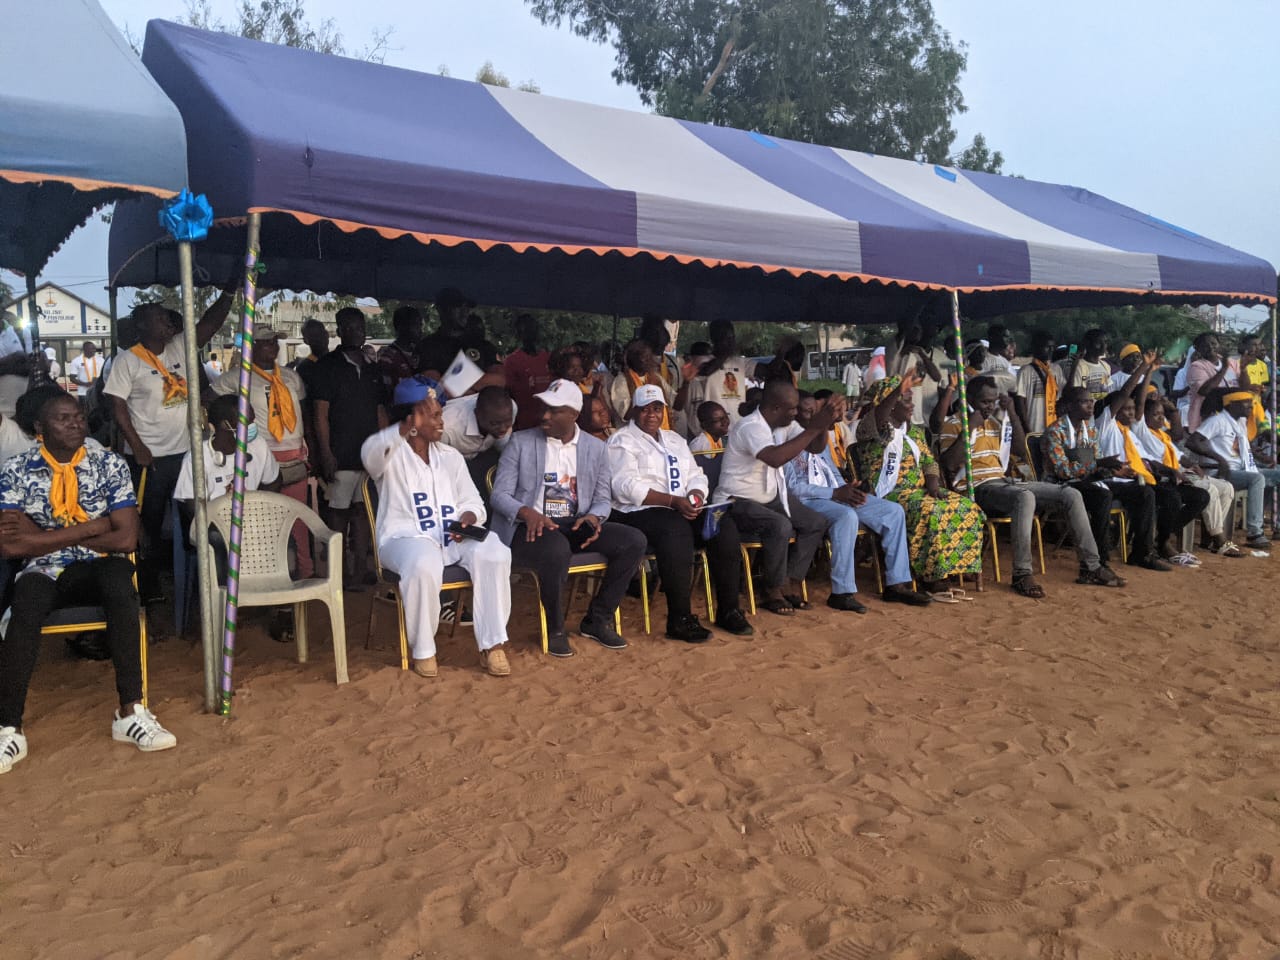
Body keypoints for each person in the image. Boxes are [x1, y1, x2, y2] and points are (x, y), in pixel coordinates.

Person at [0, 392, 178, 774]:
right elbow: (10, 544)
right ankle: (8, 729)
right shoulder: (16, 469)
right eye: (63, 419)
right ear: (39, 429)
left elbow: (126, 539)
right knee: (26, 601)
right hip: (43, 570)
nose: (76, 424)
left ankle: (130, 712)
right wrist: (94, 526)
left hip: (96, 564)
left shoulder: (108, 463)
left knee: (120, 583)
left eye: (78, 416)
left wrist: (42, 535)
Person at [362, 383, 513, 678]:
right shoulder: (390, 454)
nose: (442, 421)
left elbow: (472, 501)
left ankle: (492, 644)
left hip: (451, 536)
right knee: (423, 561)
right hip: (404, 538)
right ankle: (424, 649)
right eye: (433, 415)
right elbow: (371, 454)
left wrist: (468, 518)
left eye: (440, 414)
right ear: (412, 420)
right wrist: (403, 428)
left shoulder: (450, 456)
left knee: (494, 551)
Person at [490, 379, 646, 658]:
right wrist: (527, 512)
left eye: (554, 410)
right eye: (544, 408)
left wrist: (595, 517)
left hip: (574, 523)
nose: (545, 415)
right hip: (529, 527)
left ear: (573, 415)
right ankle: (555, 629)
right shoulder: (521, 442)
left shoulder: (595, 448)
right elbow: (499, 495)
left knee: (633, 540)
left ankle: (597, 619)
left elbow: (602, 497)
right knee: (556, 549)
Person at [940, 377, 1120, 597]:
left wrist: (1013, 414)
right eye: (985, 402)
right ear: (969, 399)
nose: (990, 406)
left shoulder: (996, 423)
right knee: (1024, 497)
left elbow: (1020, 451)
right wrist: (970, 428)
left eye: (993, 401)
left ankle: (1091, 566)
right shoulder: (953, 423)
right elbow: (949, 463)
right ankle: (1022, 573)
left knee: (1071, 493)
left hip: (1004, 482)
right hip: (977, 487)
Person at [103, 298, 228, 601]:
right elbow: (116, 405)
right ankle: (149, 590)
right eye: (160, 318)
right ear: (143, 326)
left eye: (166, 318)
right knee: (148, 525)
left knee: (195, 520)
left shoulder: (178, 347)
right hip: (151, 459)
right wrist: (137, 446)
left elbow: (211, 323)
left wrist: (230, 290)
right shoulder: (127, 361)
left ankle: (201, 587)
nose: (168, 323)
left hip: (187, 455)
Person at [607, 384, 752, 639]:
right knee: (674, 529)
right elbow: (625, 487)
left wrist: (696, 496)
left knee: (722, 525)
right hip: (636, 512)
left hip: (680, 508)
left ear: (663, 410)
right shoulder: (621, 441)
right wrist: (674, 501)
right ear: (633, 411)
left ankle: (729, 610)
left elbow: (696, 475)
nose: (651, 414)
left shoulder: (674, 439)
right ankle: (680, 619)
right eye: (644, 409)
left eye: (656, 408)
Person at [783, 389, 932, 611]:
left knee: (892, 511)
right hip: (810, 500)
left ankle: (897, 585)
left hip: (836, 494)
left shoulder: (818, 436)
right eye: (806, 412)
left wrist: (848, 489)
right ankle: (842, 592)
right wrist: (834, 494)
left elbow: (831, 471)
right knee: (846, 516)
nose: (813, 416)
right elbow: (792, 489)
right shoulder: (786, 440)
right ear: (794, 413)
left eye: (816, 411)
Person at [856, 376, 986, 594]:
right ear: (891, 402)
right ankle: (932, 576)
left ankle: (955, 566)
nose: (912, 404)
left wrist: (933, 486)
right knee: (930, 511)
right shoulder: (872, 429)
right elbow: (879, 415)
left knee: (967, 507)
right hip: (890, 494)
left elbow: (929, 462)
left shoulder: (914, 432)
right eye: (906, 399)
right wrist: (898, 389)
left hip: (920, 491)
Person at [714, 379, 832, 616]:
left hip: (771, 496)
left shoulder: (783, 424)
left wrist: (823, 425)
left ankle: (790, 579)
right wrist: (812, 428)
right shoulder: (750, 427)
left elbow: (815, 448)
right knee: (780, 525)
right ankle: (772, 590)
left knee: (815, 523)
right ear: (776, 408)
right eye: (792, 409)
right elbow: (775, 458)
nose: (796, 412)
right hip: (736, 501)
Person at [212, 326, 313, 576]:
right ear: (252, 346)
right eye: (267, 343)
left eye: (274, 343)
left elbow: (304, 413)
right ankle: (264, 573)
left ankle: (304, 569)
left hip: (294, 455)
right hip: (261, 456)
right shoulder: (237, 377)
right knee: (263, 518)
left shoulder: (291, 377)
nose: (273, 348)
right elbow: (211, 402)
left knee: (298, 518)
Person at [1044, 384, 1170, 572]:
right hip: (1064, 485)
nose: (1090, 405)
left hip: (1090, 479)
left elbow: (1092, 464)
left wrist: (1114, 470)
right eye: (1084, 401)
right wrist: (1100, 465)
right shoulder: (1056, 431)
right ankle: (1100, 560)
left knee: (1144, 492)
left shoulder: (1090, 430)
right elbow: (1063, 471)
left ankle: (1142, 553)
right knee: (1102, 497)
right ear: (1069, 405)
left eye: (1091, 401)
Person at [1094, 356, 1207, 564]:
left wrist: (1170, 471)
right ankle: (1144, 552)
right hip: (1114, 480)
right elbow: (1125, 393)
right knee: (1154, 495)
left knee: (1198, 495)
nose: (1131, 413)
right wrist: (1145, 368)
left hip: (1138, 479)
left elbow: (1147, 460)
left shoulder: (1130, 432)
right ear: (1115, 410)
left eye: (1132, 409)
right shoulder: (1106, 425)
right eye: (1125, 409)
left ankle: (1159, 540)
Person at [310, 307, 388, 589]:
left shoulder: (372, 368)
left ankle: (359, 573)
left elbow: (380, 411)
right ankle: (337, 573)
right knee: (338, 515)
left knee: (363, 513)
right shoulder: (327, 367)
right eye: (350, 327)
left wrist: (386, 449)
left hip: (368, 456)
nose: (357, 331)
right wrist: (326, 452)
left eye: (360, 326)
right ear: (339, 330)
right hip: (340, 455)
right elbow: (320, 414)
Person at [1133, 393, 1238, 556]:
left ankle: (1211, 536)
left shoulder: (1163, 436)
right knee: (1209, 490)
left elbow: (1179, 456)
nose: (1161, 418)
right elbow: (1140, 406)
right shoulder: (1142, 432)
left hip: (1181, 473)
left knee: (1227, 488)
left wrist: (1193, 465)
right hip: (1166, 477)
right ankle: (1219, 539)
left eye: (1162, 414)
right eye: (1155, 414)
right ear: (1143, 417)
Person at [1187, 389, 1280, 549]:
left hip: (1242, 468)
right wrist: (1219, 458)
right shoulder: (1217, 421)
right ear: (1232, 404)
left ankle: (1277, 526)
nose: (1251, 406)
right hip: (1221, 472)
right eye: (1246, 403)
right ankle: (1254, 532)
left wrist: (1261, 458)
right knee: (1257, 479)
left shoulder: (1239, 423)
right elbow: (1193, 441)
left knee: (1277, 473)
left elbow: (1240, 448)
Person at [174, 394, 281, 505]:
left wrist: (257, 509)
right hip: (215, 520)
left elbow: (273, 482)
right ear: (225, 425)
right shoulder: (197, 457)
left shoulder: (258, 444)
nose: (252, 425)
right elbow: (193, 506)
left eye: (252, 420)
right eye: (247, 422)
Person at [441, 385, 517, 492]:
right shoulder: (447, 429)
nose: (503, 428)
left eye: (507, 421)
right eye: (495, 423)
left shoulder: (510, 409)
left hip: (486, 454)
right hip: (453, 465)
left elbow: (502, 441)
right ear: (477, 414)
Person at [688, 319, 757, 426]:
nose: (731, 341)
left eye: (732, 337)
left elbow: (768, 369)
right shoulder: (704, 361)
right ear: (715, 339)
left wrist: (781, 352)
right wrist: (726, 353)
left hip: (736, 428)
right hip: (713, 430)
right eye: (727, 338)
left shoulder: (740, 362)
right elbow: (706, 372)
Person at [636, 316, 689, 435]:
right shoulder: (640, 363)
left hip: (676, 414)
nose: (659, 341)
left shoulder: (675, 361)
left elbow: (677, 400)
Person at [609, 339, 674, 428]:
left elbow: (675, 402)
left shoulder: (655, 378)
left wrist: (686, 382)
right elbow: (626, 415)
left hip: (662, 434)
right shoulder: (622, 381)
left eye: (649, 356)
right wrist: (644, 394)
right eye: (644, 356)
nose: (648, 360)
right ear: (632, 359)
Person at [504, 314, 552, 432]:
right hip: (524, 426)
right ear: (519, 334)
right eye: (525, 330)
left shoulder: (549, 358)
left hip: (548, 424)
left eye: (533, 329)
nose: (530, 333)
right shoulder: (512, 361)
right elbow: (507, 394)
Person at [1184, 332, 1237, 431]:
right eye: (1205, 345)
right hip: (1207, 422)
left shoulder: (1233, 363)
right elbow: (1204, 391)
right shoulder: (1196, 366)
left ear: (1219, 344)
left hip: (1233, 420)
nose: (1210, 347)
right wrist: (1224, 368)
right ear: (1198, 349)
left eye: (1213, 343)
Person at [1014, 331, 1059, 434]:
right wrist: (1027, 429)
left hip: (1053, 429)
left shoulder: (1056, 370)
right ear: (1036, 348)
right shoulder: (1025, 372)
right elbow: (1020, 402)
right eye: (1047, 347)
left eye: (1053, 347)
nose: (1051, 350)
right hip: (1034, 427)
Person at [1057, 329, 1113, 404]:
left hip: (1101, 413)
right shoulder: (1078, 366)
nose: (1103, 346)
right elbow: (1074, 393)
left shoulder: (1106, 366)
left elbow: (1107, 390)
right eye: (1098, 343)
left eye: (1105, 342)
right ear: (1087, 344)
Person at [377, 305, 423, 393]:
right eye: (415, 325)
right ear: (401, 327)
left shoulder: (420, 352)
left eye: (420, 325)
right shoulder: (387, 358)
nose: (420, 330)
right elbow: (386, 393)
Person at [67, 341, 102, 409]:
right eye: (92, 349)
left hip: (98, 392)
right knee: (84, 412)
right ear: (85, 349)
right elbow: (72, 378)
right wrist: (85, 384)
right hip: (83, 393)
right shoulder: (76, 361)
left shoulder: (101, 360)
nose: (94, 350)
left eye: (94, 348)